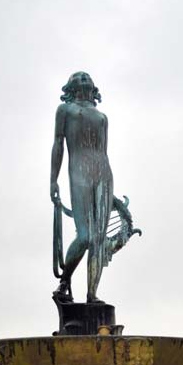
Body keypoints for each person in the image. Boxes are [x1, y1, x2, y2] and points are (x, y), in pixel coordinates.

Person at [50, 72, 114, 303]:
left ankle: (92, 294)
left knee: (99, 239)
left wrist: (111, 195)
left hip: (103, 174)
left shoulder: (102, 117)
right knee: (85, 236)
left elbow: (104, 151)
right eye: (79, 76)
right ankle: (65, 280)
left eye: (87, 76)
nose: (84, 78)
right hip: (79, 172)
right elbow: (58, 143)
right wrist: (53, 179)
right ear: (72, 85)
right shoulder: (65, 110)